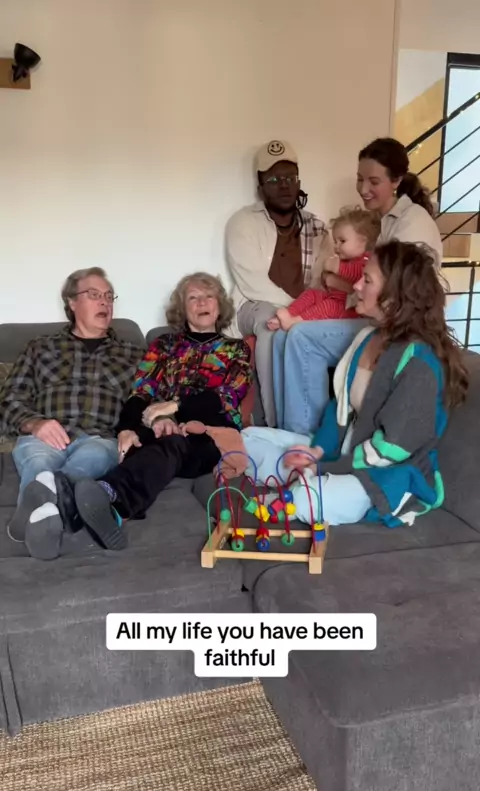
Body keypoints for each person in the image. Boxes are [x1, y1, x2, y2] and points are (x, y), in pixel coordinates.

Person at [242, 241, 468, 528]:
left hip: (386, 473)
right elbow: (339, 407)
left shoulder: (419, 361)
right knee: (247, 439)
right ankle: (300, 476)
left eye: (367, 280)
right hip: (342, 453)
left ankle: (301, 484)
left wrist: (324, 468)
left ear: (393, 296)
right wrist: (317, 452)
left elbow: (392, 449)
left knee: (307, 497)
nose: (356, 285)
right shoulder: (367, 337)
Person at [69, 273, 252, 550]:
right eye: (193, 298)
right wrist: (127, 429)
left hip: (209, 434)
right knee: (140, 447)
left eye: (209, 296)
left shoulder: (236, 349)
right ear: (183, 308)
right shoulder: (164, 345)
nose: (202, 302)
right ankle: (110, 513)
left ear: (219, 305)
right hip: (157, 426)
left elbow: (227, 396)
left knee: (173, 443)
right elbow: (141, 391)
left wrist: (175, 407)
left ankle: (105, 493)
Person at [273, 137, 444, 434]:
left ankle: (304, 437)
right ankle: (285, 431)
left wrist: (337, 282)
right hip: (372, 315)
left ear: (396, 181)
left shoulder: (412, 223)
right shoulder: (375, 221)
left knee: (301, 336)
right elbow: (362, 279)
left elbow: (398, 292)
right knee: (279, 337)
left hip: (399, 326)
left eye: (373, 181)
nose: (364, 189)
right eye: (359, 179)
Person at [0, 267, 144, 558]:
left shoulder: (134, 355)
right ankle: (54, 517)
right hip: (45, 436)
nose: (104, 302)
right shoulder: (40, 348)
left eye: (109, 296)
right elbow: (9, 397)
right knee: (38, 461)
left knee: (90, 460)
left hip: (100, 438)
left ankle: (30, 522)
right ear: (72, 302)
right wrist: (35, 423)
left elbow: (149, 400)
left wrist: (138, 428)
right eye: (94, 295)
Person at [225, 139, 331, 427]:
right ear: (260, 187)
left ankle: (318, 428)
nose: (284, 185)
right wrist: (294, 313)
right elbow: (251, 282)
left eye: (290, 178)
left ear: (299, 183)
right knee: (271, 325)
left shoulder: (317, 228)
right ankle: (276, 426)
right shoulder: (243, 222)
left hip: (303, 310)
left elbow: (324, 280)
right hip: (253, 306)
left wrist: (304, 314)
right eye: (273, 179)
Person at [266, 207, 380, 330]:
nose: (336, 246)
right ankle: (289, 314)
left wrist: (336, 267)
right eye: (335, 241)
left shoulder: (367, 261)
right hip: (333, 297)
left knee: (328, 306)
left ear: (363, 242)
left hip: (347, 308)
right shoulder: (344, 259)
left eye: (342, 241)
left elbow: (357, 273)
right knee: (311, 294)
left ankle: (295, 322)